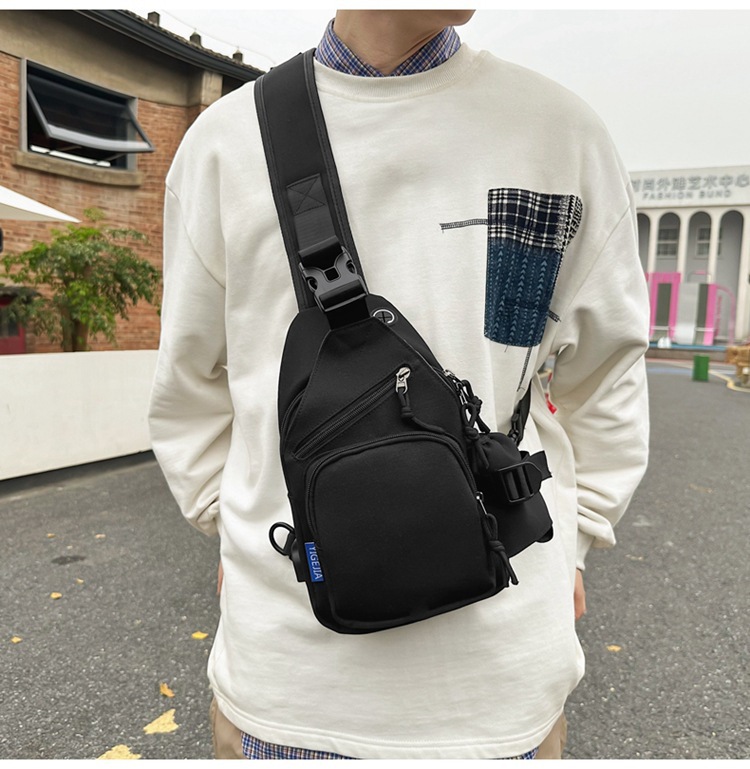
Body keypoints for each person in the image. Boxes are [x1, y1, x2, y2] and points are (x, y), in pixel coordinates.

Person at [149, 9, 649, 760]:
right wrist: (237, 529)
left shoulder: (560, 134)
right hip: (292, 688)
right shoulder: (225, 145)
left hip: (503, 682)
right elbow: (190, 384)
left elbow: (607, 374)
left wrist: (578, 536)